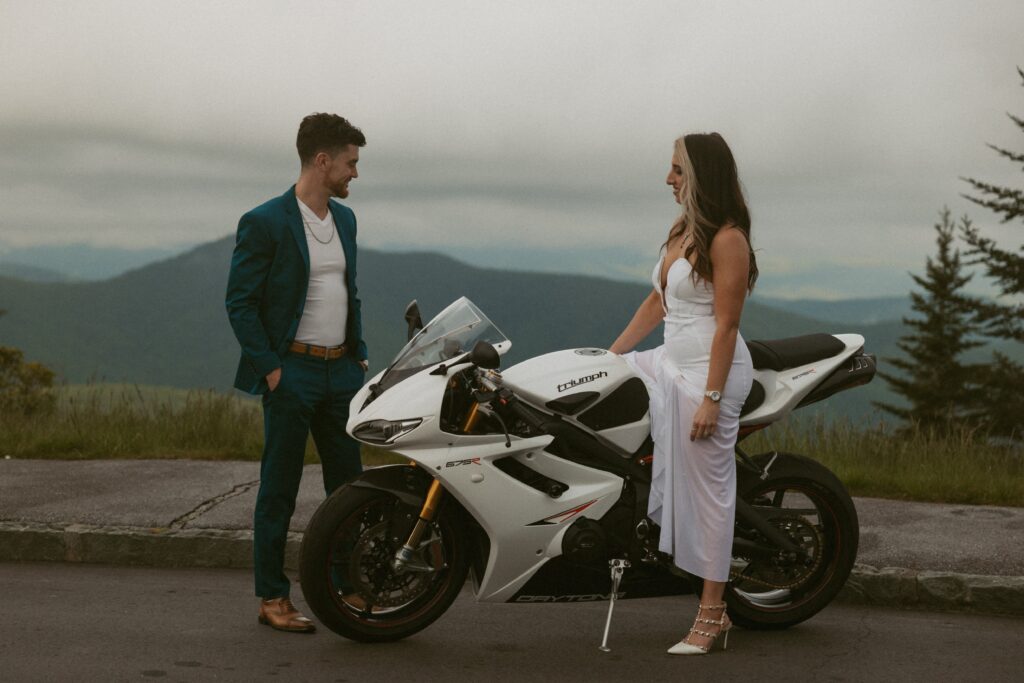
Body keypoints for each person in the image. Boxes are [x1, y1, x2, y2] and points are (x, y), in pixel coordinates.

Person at [609, 132, 757, 655]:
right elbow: (658, 301)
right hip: (669, 360)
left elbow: (727, 326)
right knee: (594, 392)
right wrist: (612, 355)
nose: (668, 179)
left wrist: (712, 400)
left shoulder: (727, 239)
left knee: (710, 493)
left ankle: (713, 614)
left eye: (677, 170)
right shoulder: (682, 229)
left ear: (700, 176)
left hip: (708, 374)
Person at [226, 113, 369, 633]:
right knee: (279, 490)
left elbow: (348, 293)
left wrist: (359, 354)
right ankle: (272, 598)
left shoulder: (346, 221)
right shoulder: (265, 221)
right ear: (322, 160)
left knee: (349, 490)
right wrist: (271, 370)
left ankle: (346, 586)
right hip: (292, 374)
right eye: (350, 163)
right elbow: (239, 304)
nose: (355, 173)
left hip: (342, 374)